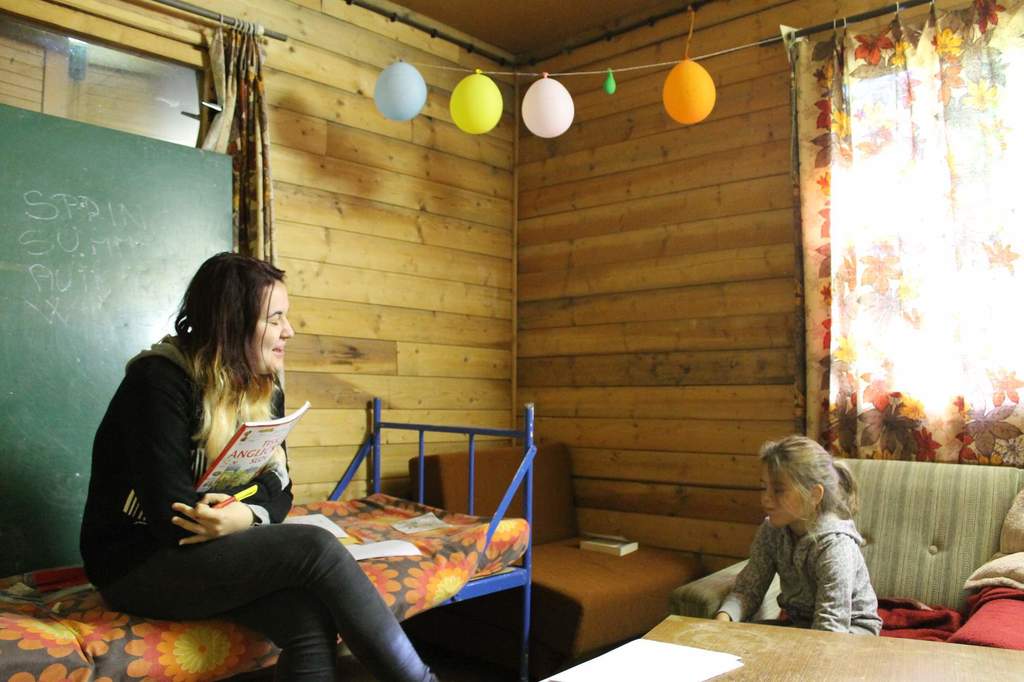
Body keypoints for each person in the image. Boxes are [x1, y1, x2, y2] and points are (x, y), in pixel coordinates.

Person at [80, 252, 437, 681]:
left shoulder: (263, 385)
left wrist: (244, 516)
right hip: (135, 563)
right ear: (232, 324)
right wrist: (244, 509)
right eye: (275, 319)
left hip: (208, 548)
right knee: (316, 546)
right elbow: (174, 518)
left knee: (306, 617)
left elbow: (281, 488)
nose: (289, 330)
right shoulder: (158, 382)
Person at [714, 435, 882, 635]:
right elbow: (748, 590)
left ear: (814, 495)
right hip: (803, 626)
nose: (766, 498)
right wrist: (722, 621)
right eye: (763, 487)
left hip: (849, 632)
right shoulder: (771, 531)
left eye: (778, 490)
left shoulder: (835, 546)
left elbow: (831, 628)